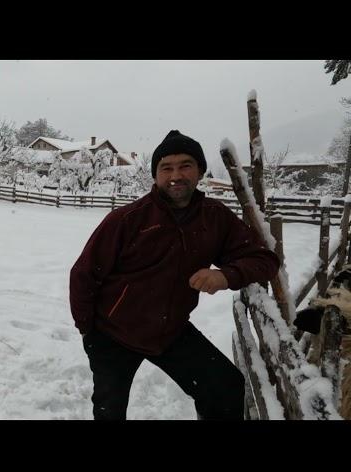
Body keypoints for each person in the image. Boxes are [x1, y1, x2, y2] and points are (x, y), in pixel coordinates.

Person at [69, 130, 280, 420]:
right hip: (114, 333)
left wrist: (226, 276)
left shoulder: (214, 218)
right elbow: (83, 274)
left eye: (185, 165)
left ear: (200, 171)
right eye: (166, 168)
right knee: (109, 411)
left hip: (171, 331)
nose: (175, 175)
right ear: (155, 175)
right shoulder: (128, 219)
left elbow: (264, 259)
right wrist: (89, 332)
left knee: (224, 387)